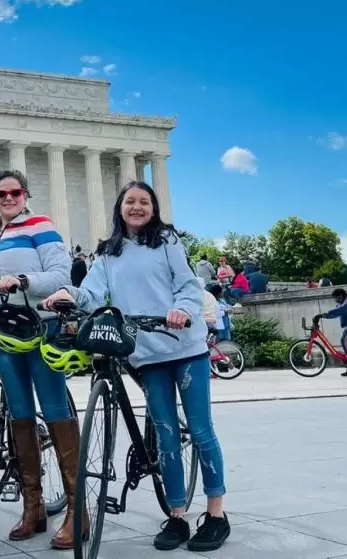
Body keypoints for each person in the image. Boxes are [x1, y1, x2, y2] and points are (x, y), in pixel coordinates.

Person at [42, 180, 230, 553]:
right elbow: (94, 292)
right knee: (165, 437)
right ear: (120, 208)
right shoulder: (109, 253)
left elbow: (189, 286)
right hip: (148, 354)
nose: (137, 207)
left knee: (200, 430)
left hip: (185, 348)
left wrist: (183, 311)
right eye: (130, 201)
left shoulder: (168, 242)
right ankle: (177, 516)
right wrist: (70, 294)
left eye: (145, 201)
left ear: (154, 208)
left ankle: (216, 514)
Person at [0, 169, 79, 549]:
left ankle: (76, 510)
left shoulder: (42, 226)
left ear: (25, 194)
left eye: (14, 192)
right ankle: (32, 507)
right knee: (19, 415)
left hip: (41, 327)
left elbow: (60, 275)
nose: (7, 198)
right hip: (5, 333)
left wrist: (24, 280)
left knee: (54, 411)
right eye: (1, 193)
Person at [314, 287, 347, 376]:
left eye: (335, 297)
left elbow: (340, 310)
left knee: (344, 341)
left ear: (340, 296)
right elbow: (335, 314)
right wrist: (323, 316)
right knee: (345, 342)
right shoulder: (340, 304)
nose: (335, 300)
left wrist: (324, 314)